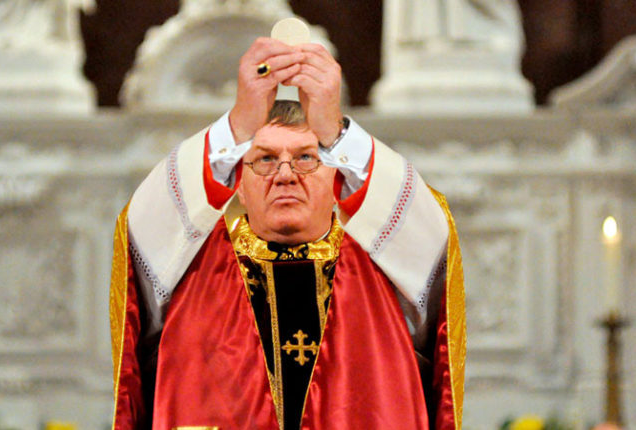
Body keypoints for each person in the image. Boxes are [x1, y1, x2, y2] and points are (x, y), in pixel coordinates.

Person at [109, 37, 466, 430]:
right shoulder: (189, 267)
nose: (284, 175)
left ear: (337, 178)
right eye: (264, 159)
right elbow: (142, 227)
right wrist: (237, 126)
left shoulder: (385, 266)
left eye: (306, 157)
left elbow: (433, 237)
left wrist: (337, 133)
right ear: (238, 184)